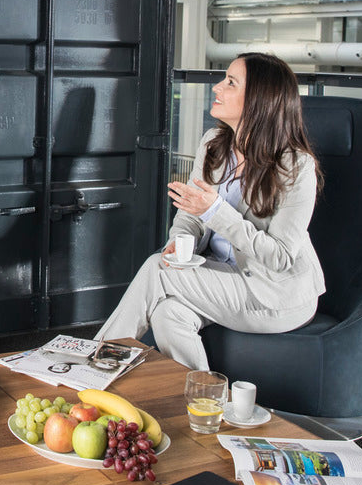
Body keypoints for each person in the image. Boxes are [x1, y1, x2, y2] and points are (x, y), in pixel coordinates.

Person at [95, 52, 324, 370]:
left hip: (274, 293)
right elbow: (190, 214)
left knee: (156, 270)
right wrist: (179, 243)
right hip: (219, 274)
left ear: (259, 99)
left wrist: (217, 211)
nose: (217, 87)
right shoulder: (213, 144)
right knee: (167, 314)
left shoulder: (296, 167)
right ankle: (201, 396)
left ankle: (93, 363)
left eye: (231, 82)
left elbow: (281, 257)